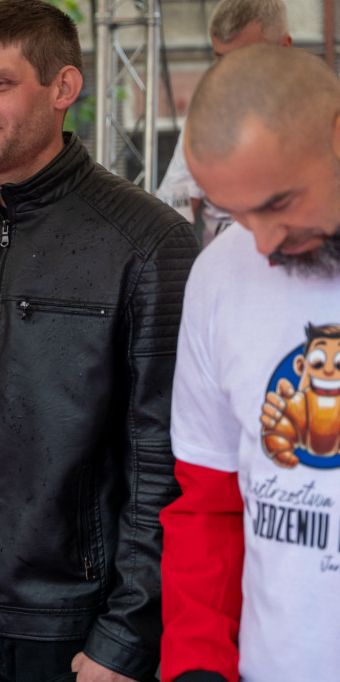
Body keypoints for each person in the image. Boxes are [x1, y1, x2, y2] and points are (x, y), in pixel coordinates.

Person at [0, 2, 199, 680]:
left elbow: (162, 463)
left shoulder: (148, 242)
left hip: (77, 627)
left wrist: (127, 633)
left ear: (63, 88)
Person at [161, 44, 340, 682]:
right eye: (235, 214)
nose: (263, 244)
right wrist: (197, 666)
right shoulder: (219, 275)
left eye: (277, 204)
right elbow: (207, 506)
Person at [155, 0, 291, 247]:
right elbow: (175, 212)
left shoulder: (323, 112)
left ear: (284, 47)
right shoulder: (204, 118)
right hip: (224, 278)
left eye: (246, 58)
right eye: (222, 58)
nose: (231, 72)